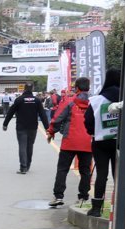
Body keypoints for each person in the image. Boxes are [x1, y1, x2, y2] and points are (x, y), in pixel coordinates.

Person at [46, 77, 93, 208]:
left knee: (62, 169)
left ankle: (58, 196)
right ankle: (83, 197)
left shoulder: (69, 101)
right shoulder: (93, 102)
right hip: (87, 142)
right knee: (85, 171)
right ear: (88, 88)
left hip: (69, 141)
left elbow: (58, 118)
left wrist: (51, 131)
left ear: (76, 88)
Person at [84, 69, 120, 217]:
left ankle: (96, 208)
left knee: (102, 174)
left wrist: (94, 131)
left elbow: (88, 121)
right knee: (119, 174)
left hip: (100, 142)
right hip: (120, 141)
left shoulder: (97, 100)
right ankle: (119, 206)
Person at [2, 83, 49, 174]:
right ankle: (28, 164)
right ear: (32, 89)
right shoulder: (36, 100)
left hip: (21, 127)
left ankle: (23, 167)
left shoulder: (19, 100)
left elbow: (11, 112)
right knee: (30, 146)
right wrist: (47, 127)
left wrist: (5, 124)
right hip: (33, 127)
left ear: (24, 89)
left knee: (22, 146)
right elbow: (43, 114)